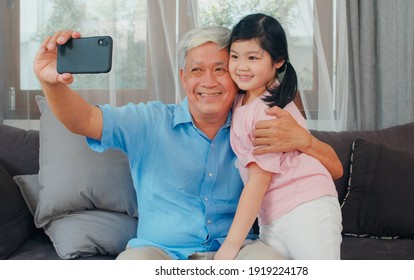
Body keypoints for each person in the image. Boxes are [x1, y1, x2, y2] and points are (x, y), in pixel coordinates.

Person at [33, 25, 342, 260]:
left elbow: (332, 166)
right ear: (183, 76)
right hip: (160, 253)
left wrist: (305, 140)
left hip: (238, 251)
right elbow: (82, 120)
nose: (208, 81)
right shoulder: (151, 121)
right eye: (197, 70)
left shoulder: (257, 121)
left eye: (220, 69)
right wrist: (50, 82)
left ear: (236, 75)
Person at [214, 14, 342, 260]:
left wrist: (230, 246)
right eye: (235, 56)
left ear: (279, 60)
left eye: (253, 57)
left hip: (305, 208)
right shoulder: (242, 99)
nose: (241, 66)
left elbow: (257, 182)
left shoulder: (268, 111)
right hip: (272, 217)